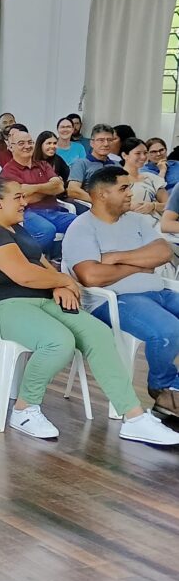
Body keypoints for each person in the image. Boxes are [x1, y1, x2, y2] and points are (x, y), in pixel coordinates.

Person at [0, 178, 174, 443]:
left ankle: (134, 417)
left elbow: (40, 262)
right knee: (58, 342)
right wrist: (64, 281)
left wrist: (60, 285)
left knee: (98, 333)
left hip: (37, 301)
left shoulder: (16, 228)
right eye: (18, 197)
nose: (25, 201)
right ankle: (25, 409)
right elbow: (24, 275)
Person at [62, 165, 179, 418]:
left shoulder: (136, 220)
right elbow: (91, 276)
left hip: (158, 292)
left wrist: (115, 258)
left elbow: (164, 253)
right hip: (115, 301)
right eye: (123, 188)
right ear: (102, 194)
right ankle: (164, 388)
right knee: (169, 330)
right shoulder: (81, 228)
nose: (130, 194)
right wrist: (139, 266)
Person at [0, 124, 75, 256]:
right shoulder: (8, 170)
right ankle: (31, 260)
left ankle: (63, 259)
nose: (27, 146)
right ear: (11, 147)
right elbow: (24, 198)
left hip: (54, 211)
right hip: (27, 213)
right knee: (47, 230)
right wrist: (48, 189)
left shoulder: (43, 164)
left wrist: (32, 188)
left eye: (30, 142)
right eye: (21, 143)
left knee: (81, 223)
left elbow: (59, 187)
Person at [67, 123, 120, 202]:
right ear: (92, 143)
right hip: (92, 206)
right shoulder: (81, 163)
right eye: (101, 140)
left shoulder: (117, 165)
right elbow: (72, 190)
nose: (106, 144)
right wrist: (101, 202)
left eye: (109, 140)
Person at [119, 137, 167, 220]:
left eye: (145, 153)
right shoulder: (114, 179)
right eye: (138, 153)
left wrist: (153, 206)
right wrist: (129, 206)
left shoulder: (152, 178)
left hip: (155, 224)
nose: (143, 157)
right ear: (124, 155)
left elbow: (170, 205)